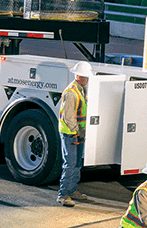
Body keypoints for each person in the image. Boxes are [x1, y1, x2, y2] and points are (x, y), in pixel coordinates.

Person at [57, 61, 92, 207]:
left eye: (86, 77)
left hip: (78, 133)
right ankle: (63, 194)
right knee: (70, 164)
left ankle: (72, 190)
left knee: (77, 163)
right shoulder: (71, 93)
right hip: (70, 133)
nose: (85, 79)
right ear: (77, 76)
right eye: (83, 77)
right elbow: (69, 116)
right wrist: (77, 131)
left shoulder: (81, 89)